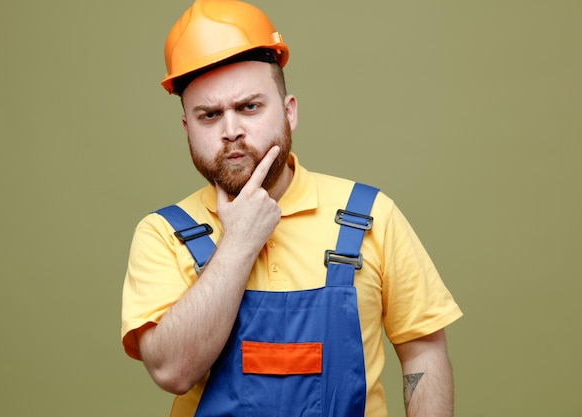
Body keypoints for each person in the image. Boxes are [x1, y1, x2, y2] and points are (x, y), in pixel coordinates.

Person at [121, 0, 462, 416]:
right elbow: (172, 371)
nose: (231, 131)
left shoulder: (372, 216)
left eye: (249, 107)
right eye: (209, 115)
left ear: (289, 112)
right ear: (187, 128)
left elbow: (423, 354)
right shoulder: (162, 234)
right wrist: (239, 243)